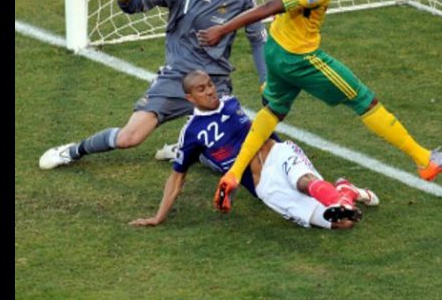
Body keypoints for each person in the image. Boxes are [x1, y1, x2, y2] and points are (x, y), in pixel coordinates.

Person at [197, 0, 442, 213]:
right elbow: (268, 7)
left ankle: (233, 173)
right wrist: (223, 29)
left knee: (274, 109)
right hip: (300, 57)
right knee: (364, 99)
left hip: (275, 47)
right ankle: (424, 161)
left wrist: (287, 13)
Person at [39, 0, 268, 170]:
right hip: (177, 79)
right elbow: (139, 3)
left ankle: (187, 150)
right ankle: (73, 151)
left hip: (215, 84)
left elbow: (258, 39)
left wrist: (265, 81)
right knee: (129, 138)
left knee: (235, 160)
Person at [129, 70, 379, 230]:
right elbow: (177, 176)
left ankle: (335, 196)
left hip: (279, 155)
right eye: (201, 89)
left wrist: (286, 149)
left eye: (210, 85)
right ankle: (345, 190)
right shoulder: (192, 132)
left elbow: (262, 129)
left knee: (304, 181)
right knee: (344, 223)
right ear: (190, 98)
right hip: (265, 188)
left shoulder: (230, 103)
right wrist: (158, 216)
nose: (210, 91)